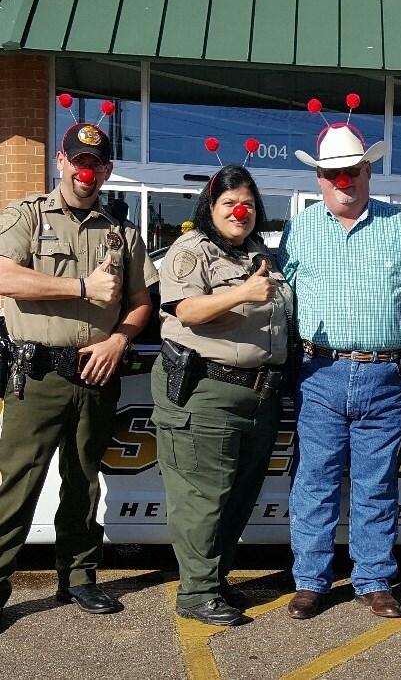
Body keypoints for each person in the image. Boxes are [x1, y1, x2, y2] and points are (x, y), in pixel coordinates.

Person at [278, 117, 401, 620]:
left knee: (376, 483)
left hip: (384, 376)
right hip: (319, 373)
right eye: (332, 175)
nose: (343, 182)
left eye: (352, 171)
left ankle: (374, 579)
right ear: (319, 180)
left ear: (368, 172)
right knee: (315, 481)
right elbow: (279, 297)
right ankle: (310, 581)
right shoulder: (299, 230)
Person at [0, 121, 157, 625]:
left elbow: (140, 304)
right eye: (80, 162)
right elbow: (2, 274)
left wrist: (119, 338)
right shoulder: (28, 214)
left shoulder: (121, 232)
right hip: (39, 373)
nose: (88, 172)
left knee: (84, 479)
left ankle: (80, 578)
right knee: (18, 481)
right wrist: (81, 289)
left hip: (97, 370)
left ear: (108, 170)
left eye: (99, 165)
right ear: (62, 162)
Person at [151, 164, 293, 627]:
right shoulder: (191, 249)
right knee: (201, 497)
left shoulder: (257, 253)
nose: (240, 211)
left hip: (257, 394)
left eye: (248, 204)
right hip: (204, 390)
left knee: (237, 497)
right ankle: (196, 593)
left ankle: (214, 579)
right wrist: (244, 293)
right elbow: (187, 309)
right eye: (230, 203)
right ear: (211, 208)